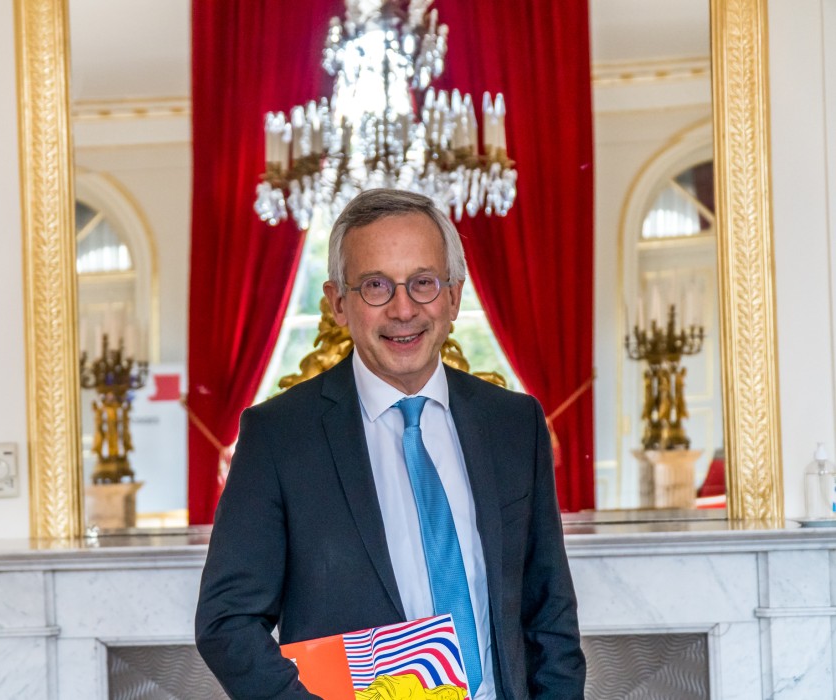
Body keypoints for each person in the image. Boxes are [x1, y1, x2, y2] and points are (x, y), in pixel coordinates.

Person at [195, 189, 586, 699]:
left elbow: (549, 613)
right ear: (338, 302)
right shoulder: (277, 437)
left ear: (453, 296)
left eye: (423, 283)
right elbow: (227, 622)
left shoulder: (515, 423)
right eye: (376, 286)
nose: (403, 310)